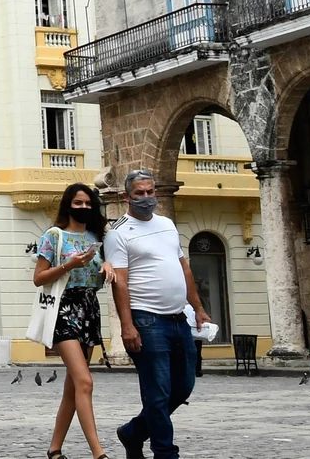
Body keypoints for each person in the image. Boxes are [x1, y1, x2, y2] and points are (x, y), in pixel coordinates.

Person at [107, 169, 209, 459]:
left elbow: (184, 268)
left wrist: (199, 308)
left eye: (150, 192)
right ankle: (165, 453)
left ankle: (134, 432)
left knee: (183, 388)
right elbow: (121, 282)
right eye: (140, 193)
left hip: (179, 319)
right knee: (158, 391)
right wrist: (127, 326)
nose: (146, 198)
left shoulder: (166, 224)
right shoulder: (119, 233)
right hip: (147, 321)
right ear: (128, 196)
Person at [35, 181, 110, 459]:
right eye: (78, 203)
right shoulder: (54, 236)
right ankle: (98, 453)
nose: (84, 207)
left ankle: (54, 450)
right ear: (68, 205)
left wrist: (105, 267)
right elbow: (38, 278)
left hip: (90, 308)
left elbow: (100, 276)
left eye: (88, 203)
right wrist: (68, 265)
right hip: (63, 309)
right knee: (85, 382)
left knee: (73, 387)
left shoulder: (96, 237)